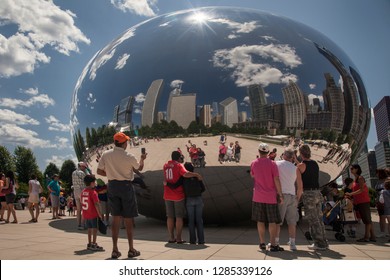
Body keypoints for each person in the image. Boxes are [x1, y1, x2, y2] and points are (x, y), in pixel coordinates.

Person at [97, 132, 146, 259]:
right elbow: (139, 168)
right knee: (128, 219)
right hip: (126, 187)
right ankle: (131, 249)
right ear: (123, 143)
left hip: (112, 186)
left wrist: (110, 174)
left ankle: (115, 249)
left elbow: (98, 170)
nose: (127, 143)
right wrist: (142, 158)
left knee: (116, 218)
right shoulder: (128, 156)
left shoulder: (106, 154)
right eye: (126, 141)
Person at [163, 151, 202, 244]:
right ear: (178, 157)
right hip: (178, 195)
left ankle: (171, 237)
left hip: (167, 194)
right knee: (179, 217)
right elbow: (185, 174)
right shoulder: (179, 165)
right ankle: (179, 238)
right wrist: (196, 174)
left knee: (170, 217)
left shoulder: (165, 165)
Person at [250, 143, 284, 252]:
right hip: (270, 197)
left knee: (260, 221)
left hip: (258, 196)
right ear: (268, 152)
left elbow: (253, 175)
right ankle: (273, 244)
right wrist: (280, 194)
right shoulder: (273, 164)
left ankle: (262, 243)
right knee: (272, 221)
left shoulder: (254, 163)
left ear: (259, 151)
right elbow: (276, 179)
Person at [297, 144, 328, 250]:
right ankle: (324, 241)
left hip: (308, 194)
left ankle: (319, 243)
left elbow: (300, 187)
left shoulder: (300, 167)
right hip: (317, 193)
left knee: (312, 219)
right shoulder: (315, 163)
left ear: (301, 154)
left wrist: (297, 199)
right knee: (319, 218)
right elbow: (306, 169)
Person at [275, 148, 302, 251]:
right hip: (292, 195)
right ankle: (292, 243)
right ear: (293, 157)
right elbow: (299, 185)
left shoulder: (278, 164)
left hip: (282, 195)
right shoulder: (295, 168)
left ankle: (276, 241)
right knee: (292, 222)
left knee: (278, 221)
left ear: (284, 155)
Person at [345, 164, 376, 242]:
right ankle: (372, 236)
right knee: (368, 219)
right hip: (359, 201)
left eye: (352, 168)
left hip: (363, 201)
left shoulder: (360, 178)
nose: (351, 170)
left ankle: (366, 237)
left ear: (356, 169)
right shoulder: (355, 179)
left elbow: (362, 189)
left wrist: (351, 194)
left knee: (367, 220)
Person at [183, 162, 206, 244]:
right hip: (198, 198)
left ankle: (192, 240)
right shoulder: (197, 176)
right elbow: (203, 188)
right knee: (199, 220)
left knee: (191, 221)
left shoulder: (183, 178)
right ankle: (201, 240)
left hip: (189, 199)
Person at [81, 175, 104, 251]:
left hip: (86, 214)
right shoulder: (93, 192)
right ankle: (94, 243)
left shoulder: (83, 192)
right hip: (93, 214)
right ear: (91, 183)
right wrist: (100, 214)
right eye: (94, 182)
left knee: (89, 229)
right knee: (95, 229)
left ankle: (89, 243)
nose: (95, 183)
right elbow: (96, 204)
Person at [72, 162, 88, 230]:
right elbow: (86, 181)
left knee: (78, 209)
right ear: (81, 166)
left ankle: (78, 224)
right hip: (82, 191)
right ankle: (83, 224)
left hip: (75, 191)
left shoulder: (73, 173)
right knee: (84, 209)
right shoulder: (82, 173)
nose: (85, 168)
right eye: (84, 167)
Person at [374, 168, 389, 237]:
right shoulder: (378, 181)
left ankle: (388, 232)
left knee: (388, 217)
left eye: (377, 173)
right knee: (381, 217)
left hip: (387, 201)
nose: (376, 174)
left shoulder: (387, 180)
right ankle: (382, 232)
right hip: (380, 201)